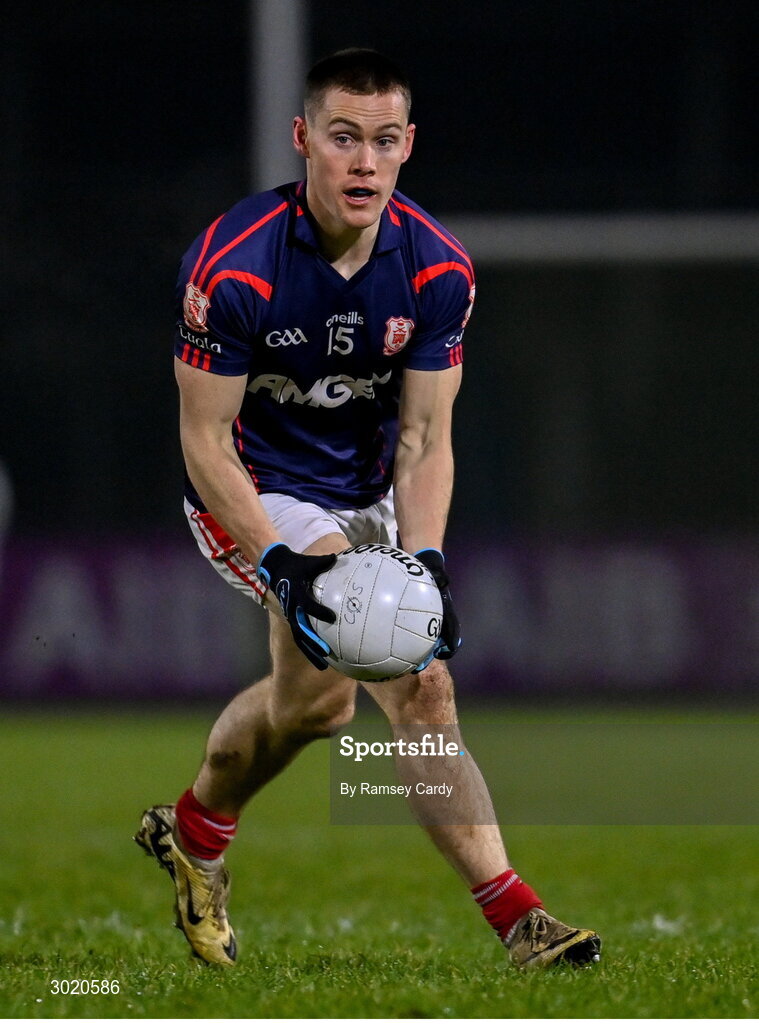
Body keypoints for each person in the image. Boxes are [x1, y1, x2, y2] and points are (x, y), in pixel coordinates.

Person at [135, 48, 600, 971]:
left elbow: (425, 442)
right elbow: (204, 438)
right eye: (343, 138)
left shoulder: (436, 271)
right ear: (303, 138)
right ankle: (204, 836)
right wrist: (280, 560)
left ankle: (515, 923)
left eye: (383, 142)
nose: (362, 162)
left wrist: (422, 562)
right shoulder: (232, 267)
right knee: (344, 698)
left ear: (407, 147)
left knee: (383, 697)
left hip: (369, 492)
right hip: (257, 487)